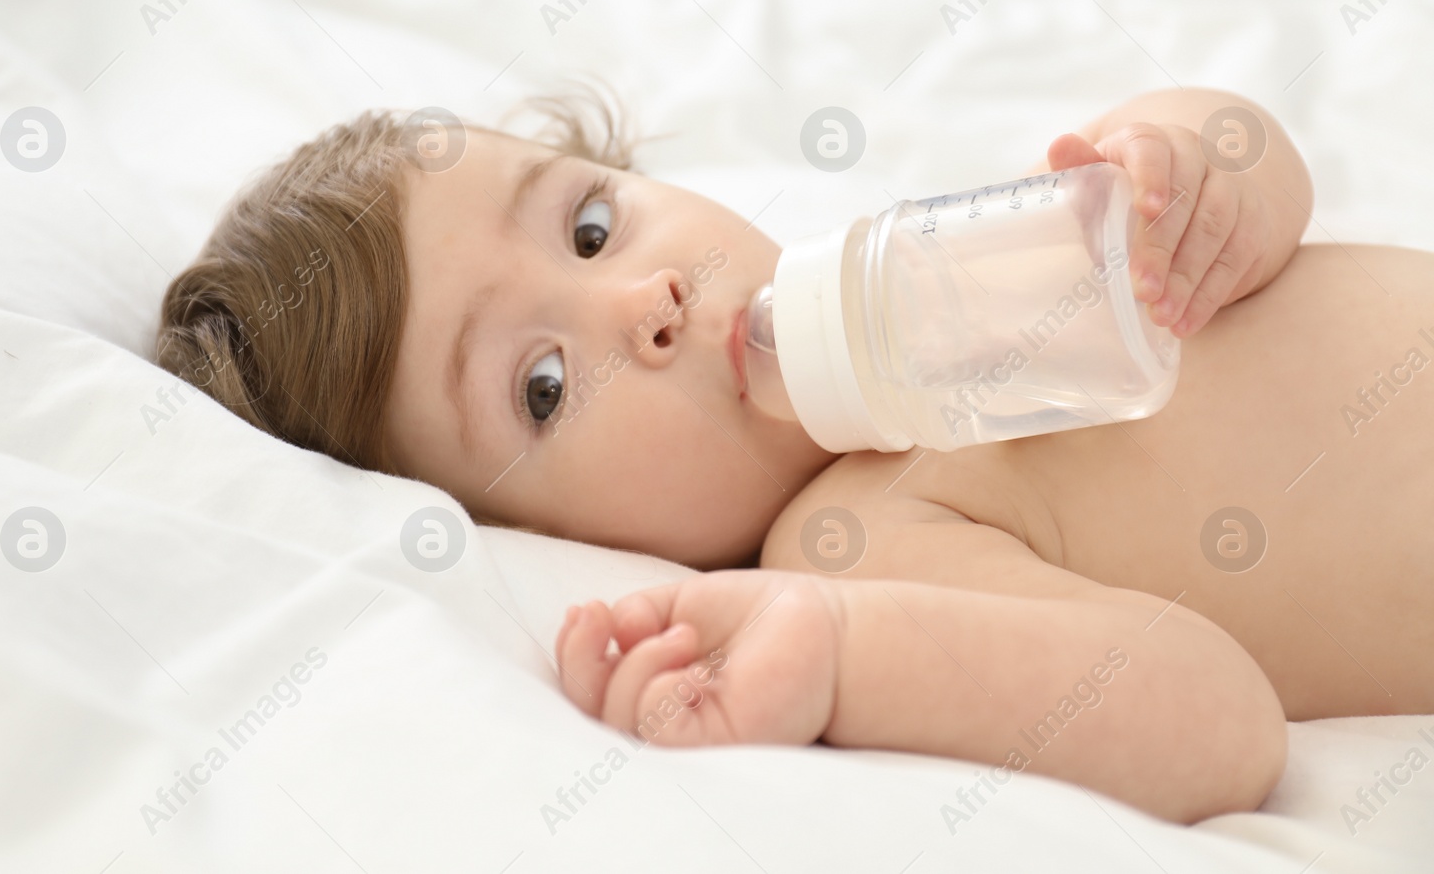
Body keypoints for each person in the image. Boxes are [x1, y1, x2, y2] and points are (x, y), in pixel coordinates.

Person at [156, 86, 1434, 822]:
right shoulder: (861, 539)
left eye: (591, 225)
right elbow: (1214, 723)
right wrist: (834, 650)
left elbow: (1260, 196)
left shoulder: (945, 267)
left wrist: (1202, 164)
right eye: (543, 387)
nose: (641, 304)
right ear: (537, 538)